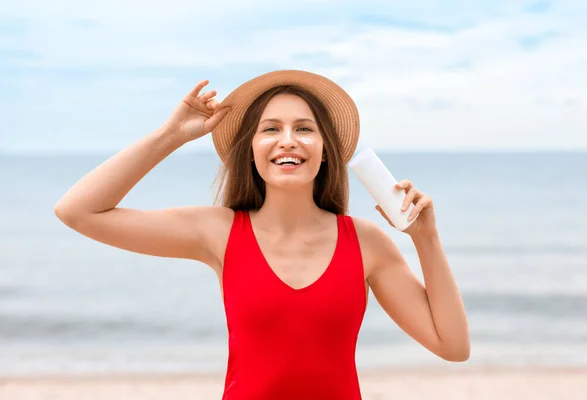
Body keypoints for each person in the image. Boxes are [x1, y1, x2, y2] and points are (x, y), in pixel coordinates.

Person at [54, 70, 470, 399]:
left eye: (304, 128)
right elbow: (77, 211)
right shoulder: (218, 232)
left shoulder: (366, 243)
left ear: (325, 148)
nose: (287, 140)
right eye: (270, 129)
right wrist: (171, 136)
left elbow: (453, 346)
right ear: (250, 149)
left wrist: (425, 239)